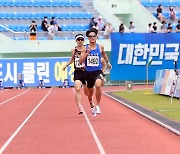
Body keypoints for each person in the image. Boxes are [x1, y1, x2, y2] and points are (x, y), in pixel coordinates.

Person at [79, 28, 112, 115]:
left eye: (94, 36)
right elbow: (80, 61)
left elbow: (104, 54)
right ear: (88, 38)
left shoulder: (100, 47)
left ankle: (98, 106)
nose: (92, 38)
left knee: (98, 85)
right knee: (90, 92)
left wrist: (108, 62)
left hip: (98, 71)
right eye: (90, 36)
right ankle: (91, 103)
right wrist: (87, 54)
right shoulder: (85, 48)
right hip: (88, 73)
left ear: (96, 37)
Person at [62, 34, 94, 114]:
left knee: (87, 93)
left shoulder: (87, 49)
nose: (80, 41)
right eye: (78, 40)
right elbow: (73, 59)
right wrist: (66, 65)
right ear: (76, 41)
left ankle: (90, 101)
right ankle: (79, 107)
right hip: (77, 72)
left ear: (83, 40)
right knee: (78, 88)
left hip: (86, 72)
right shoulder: (74, 49)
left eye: (81, 39)